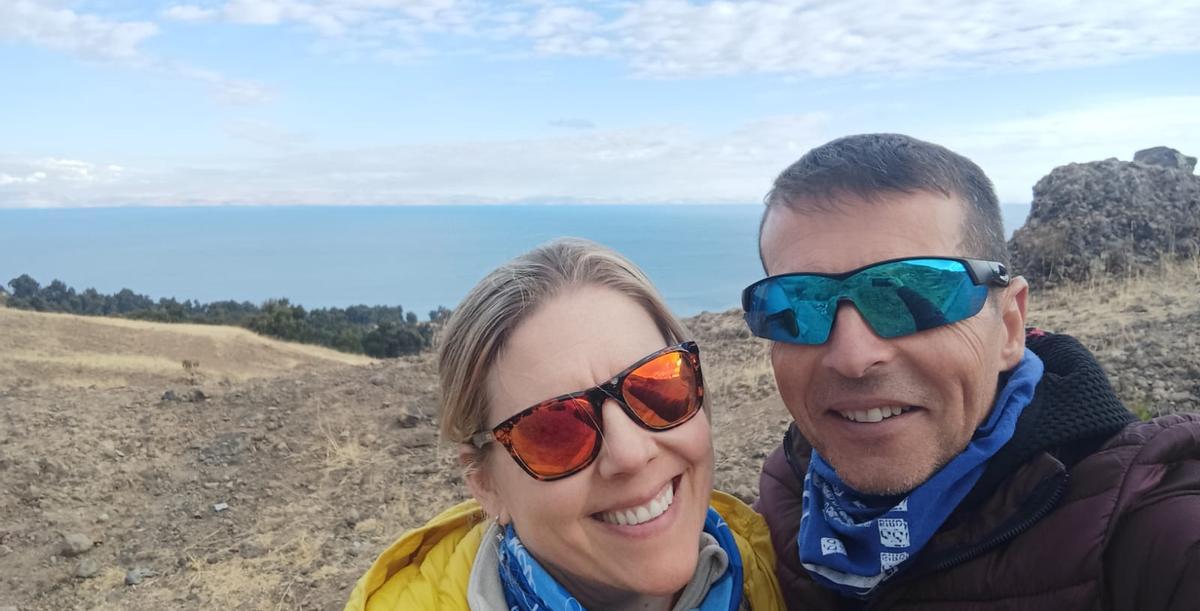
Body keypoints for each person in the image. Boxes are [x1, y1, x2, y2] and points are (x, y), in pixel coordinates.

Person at [743, 134, 1200, 609]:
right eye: (798, 304)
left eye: (914, 295)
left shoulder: (1145, 528)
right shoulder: (787, 494)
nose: (853, 357)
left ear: (1008, 326)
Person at [345, 238, 784, 610]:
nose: (632, 454)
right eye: (555, 431)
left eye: (655, 388)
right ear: (485, 484)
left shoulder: (764, 568)